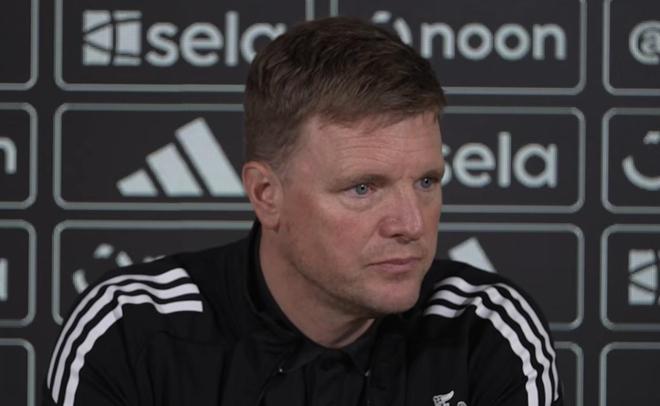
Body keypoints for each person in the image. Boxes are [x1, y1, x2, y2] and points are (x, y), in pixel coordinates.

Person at [44, 17, 562, 406]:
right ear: (266, 194)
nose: (411, 224)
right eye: (363, 188)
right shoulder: (131, 330)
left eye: (426, 181)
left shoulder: (483, 329)